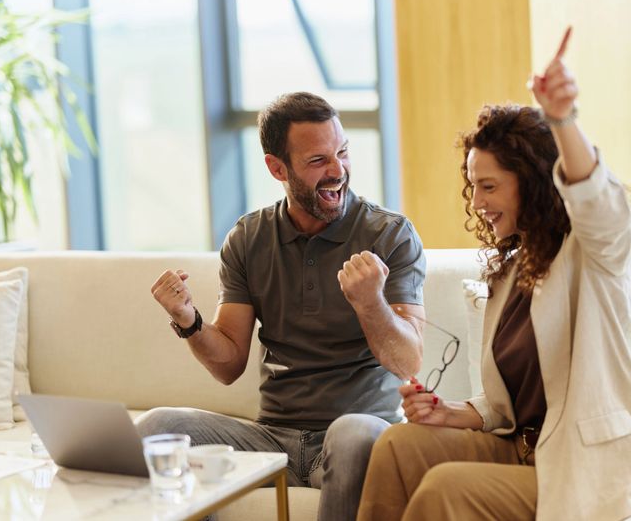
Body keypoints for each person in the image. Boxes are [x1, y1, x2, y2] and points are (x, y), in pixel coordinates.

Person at [356, 27, 631, 521]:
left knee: (446, 487)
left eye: (488, 186)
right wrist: (450, 413)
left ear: (533, 181)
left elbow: (598, 204)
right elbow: (508, 406)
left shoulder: (594, 256)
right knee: (399, 445)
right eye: (472, 187)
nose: (477, 204)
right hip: (522, 451)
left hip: (590, 465)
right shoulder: (512, 272)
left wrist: (562, 120)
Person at [139, 92, 427, 521]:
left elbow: (408, 361)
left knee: (352, 432)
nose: (338, 171)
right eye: (318, 161)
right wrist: (188, 321)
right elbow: (228, 364)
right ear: (277, 167)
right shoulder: (248, 239)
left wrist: (370, 304)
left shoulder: (390, 235)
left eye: (343, 153)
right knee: (156, 428)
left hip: (358, 430)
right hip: (272, 437)